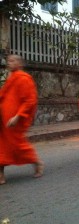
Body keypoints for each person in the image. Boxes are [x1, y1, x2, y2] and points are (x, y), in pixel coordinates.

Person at [0, 54, 44, 185]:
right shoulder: (11, 77)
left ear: (20, 64)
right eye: (8, 61)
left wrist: (17, 116)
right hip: (3, 119)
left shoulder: (24, 78)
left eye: (12, 61)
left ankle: (36, 162)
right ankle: (1, 174)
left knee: (17, 145)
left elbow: (29, 101)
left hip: (14, 120)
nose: (9, 63)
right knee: (1, 146)